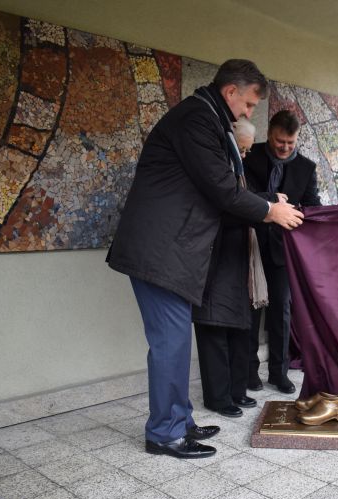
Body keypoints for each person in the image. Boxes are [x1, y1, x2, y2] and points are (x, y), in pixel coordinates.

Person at [107, 59, 304, 459]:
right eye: (249, 104)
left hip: (173, 252)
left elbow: (220, 185)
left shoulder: (207, 116)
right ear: (231, 91)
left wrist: (268, 199)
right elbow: (221, 189)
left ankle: (180, 421)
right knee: (170, 345)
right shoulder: (197, 119)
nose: (250, 113)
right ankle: (164, 434)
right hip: (161, 251)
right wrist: (271, 211)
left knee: (176, 345)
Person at [244, 109, 321, 394]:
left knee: (282, 311)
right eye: (280, 142)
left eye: (290, 143)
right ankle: (249, 371)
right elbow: (241, 196)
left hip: (283, 249)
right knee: (250, 311)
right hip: (249, 244)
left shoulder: (307, 168)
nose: (285, 148)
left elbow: (313, 207)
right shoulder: (249, 156)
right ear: (269, 135)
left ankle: (279, 372)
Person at [191, 118, 260, 418]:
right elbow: (226, 210)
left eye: (246, 151)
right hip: (211, 260)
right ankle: (218, 398)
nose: (244, 157)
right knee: (214, 329)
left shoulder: (237, 169)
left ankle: (235, 391)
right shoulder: (211, 168)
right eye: (241, 150)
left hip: (235, 261)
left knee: (238, 329)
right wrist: (268, 205)